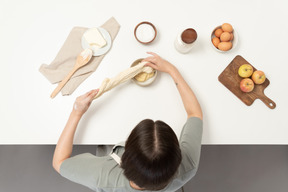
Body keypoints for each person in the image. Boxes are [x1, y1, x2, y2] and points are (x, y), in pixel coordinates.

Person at [52, 52, 203, 192]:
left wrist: (76, 112)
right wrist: (171, 70)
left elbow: (59, 162)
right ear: (177, 159)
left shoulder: (105, 176)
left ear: (125, 157)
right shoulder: (188, 167)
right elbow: (195, 113)